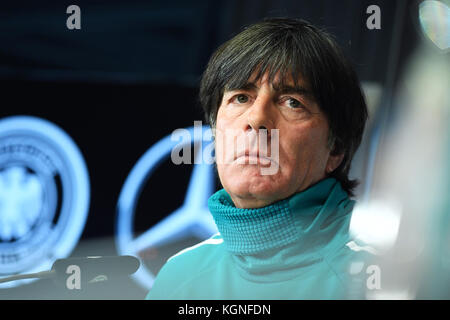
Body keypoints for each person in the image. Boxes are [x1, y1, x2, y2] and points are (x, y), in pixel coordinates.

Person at [146, 17, 369, 299]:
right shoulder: (180, 276)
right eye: (241, 98)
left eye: (292, 102)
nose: (256, 119)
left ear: (336, 149)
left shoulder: (380, 279)